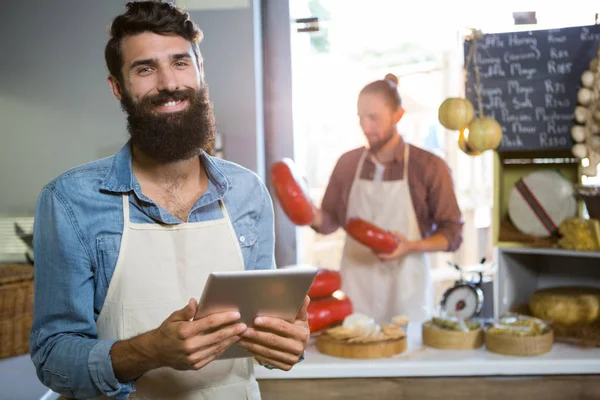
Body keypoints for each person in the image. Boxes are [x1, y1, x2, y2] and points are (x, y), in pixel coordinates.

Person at [30, 2, 308, 399]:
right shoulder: (70, 201)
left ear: (199, 70)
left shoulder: (247, 192)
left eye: (180, 63)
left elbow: (265, 333)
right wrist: (150, 351)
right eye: (145, 68)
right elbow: (52, 357)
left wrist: (286, 343)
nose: (168, 83)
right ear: (117, 87)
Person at [310, 73, 463, 325]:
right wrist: (306, 211)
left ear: (398, 115)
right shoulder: (348, 164)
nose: (365, 127)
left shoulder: (429, 166)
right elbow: (329, 222)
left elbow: (453, 234)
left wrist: (409, 246)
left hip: (408, 292)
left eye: (374, 118)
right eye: (360, 117)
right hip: (356, 291)